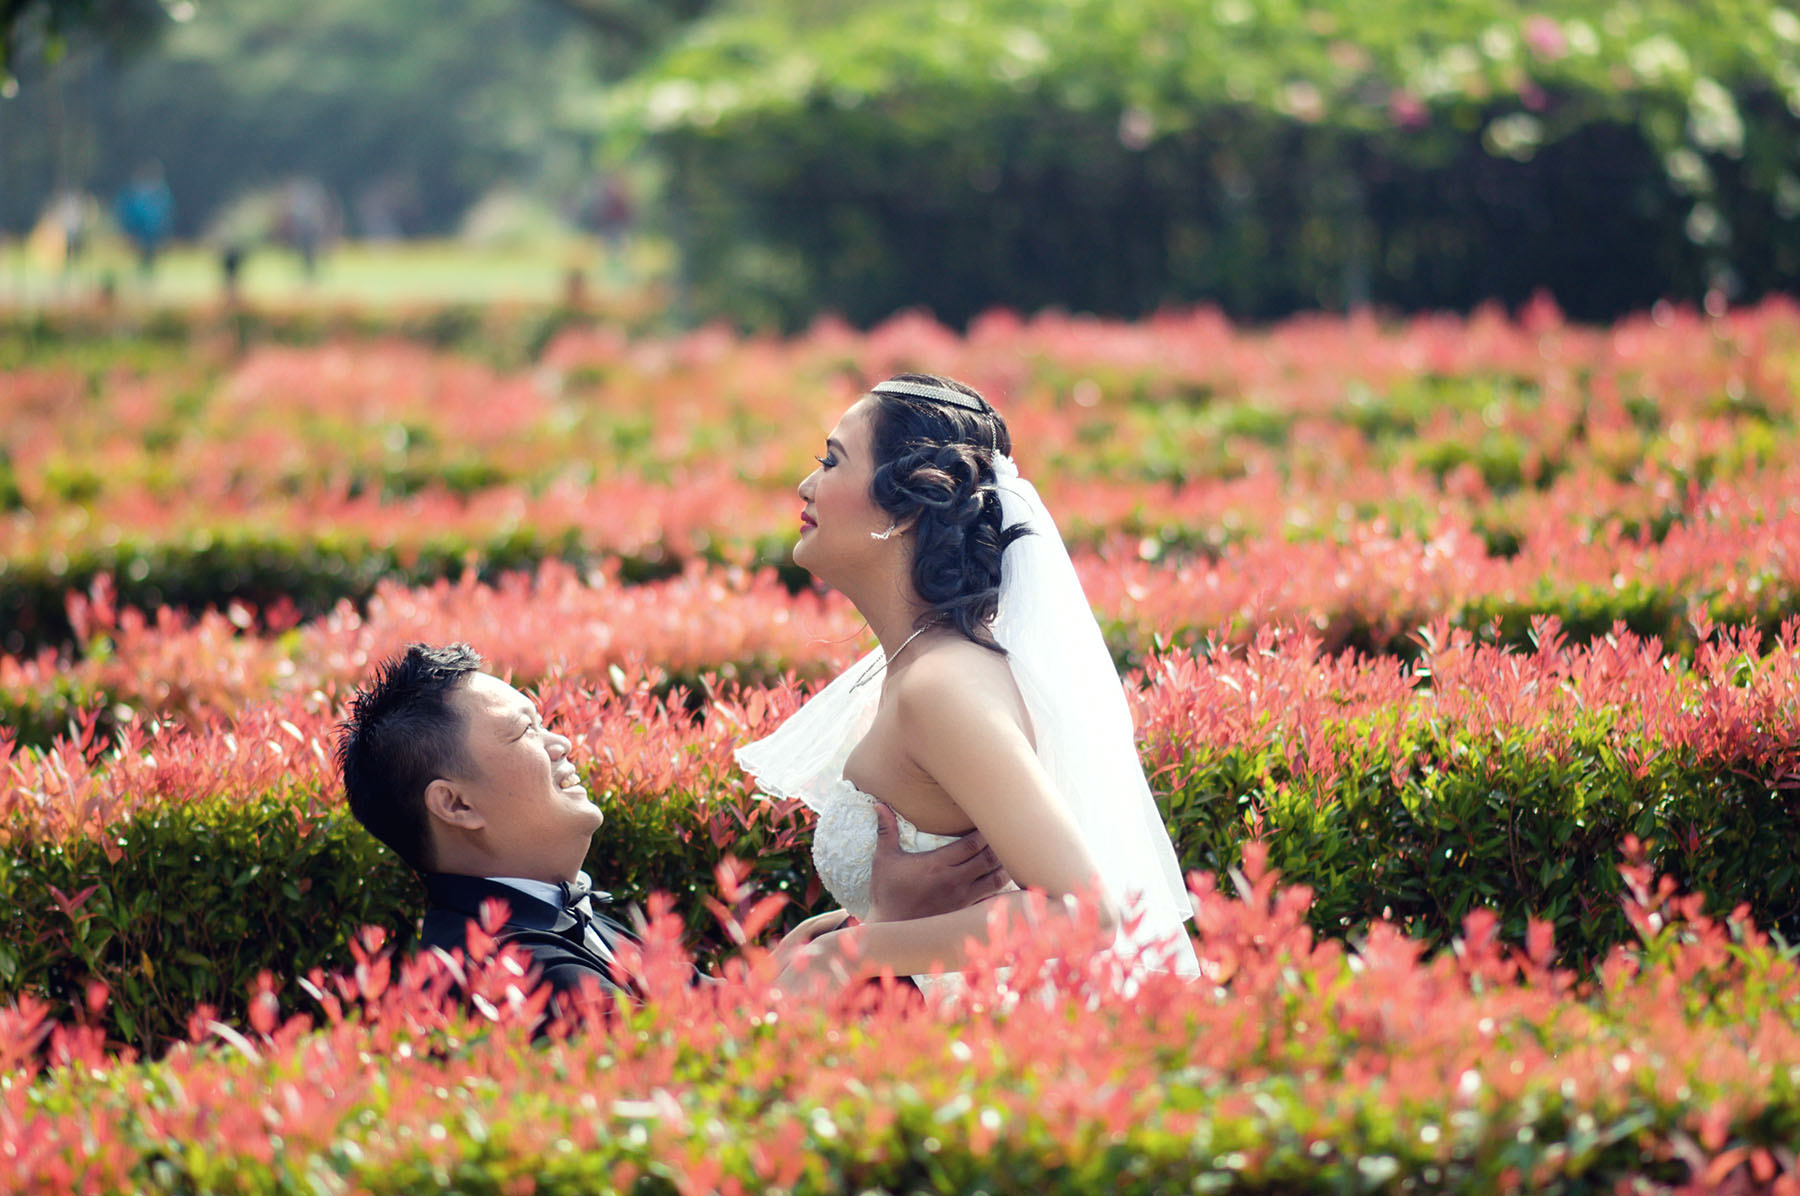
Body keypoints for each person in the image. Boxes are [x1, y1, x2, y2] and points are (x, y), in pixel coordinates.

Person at [737, 374, 1200, 999]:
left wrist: (851, 951)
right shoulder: (913, 665)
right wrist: (846, 928)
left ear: (902, 508)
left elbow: (1085, 913)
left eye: (832, 460)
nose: (807, 485)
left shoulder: (941, 686)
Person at [335, 642, 1010, 1013]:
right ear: (455, 806)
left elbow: (713, 1011)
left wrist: (860, 932)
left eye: (546, 724)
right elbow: (716, 1081)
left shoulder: (556, 913)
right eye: (523, 734)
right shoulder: (505, 972)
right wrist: (884, 934)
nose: (562, 746)